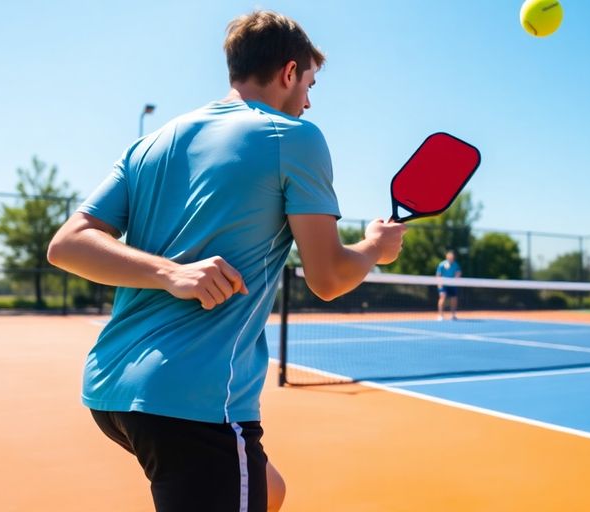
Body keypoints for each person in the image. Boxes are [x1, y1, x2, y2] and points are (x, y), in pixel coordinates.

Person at [47, 11, 406, 512]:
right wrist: (375, 249)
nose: (308, 99)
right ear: (288, 73)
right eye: (309, 83)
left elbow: (67, 243)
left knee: (267, 491)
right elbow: (327, 278)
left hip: (111, 390)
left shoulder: (154, 140)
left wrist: (165, 273)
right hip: (194, 400)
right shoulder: (295, 137)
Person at [436, 250, 462, 320]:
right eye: (449, 257)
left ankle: (453, 315)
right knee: (442, 298)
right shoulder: (442, 264)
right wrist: (439, 284)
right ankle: (440, 315)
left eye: (452, 257)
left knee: (454, 299)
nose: (451, 258)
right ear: (447, 257)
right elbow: (438, 275)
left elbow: (458, 273)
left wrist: (456, 277)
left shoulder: (456, 264)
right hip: (443, 284)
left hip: (452, 284)